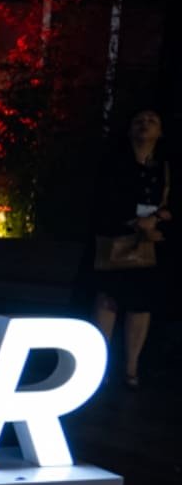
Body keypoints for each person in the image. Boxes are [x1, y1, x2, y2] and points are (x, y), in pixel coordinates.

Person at [91, 109, 170, 389]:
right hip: (117, 237)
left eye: (152, 121)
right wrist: (135, 221)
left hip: (150, 244)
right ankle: (100, 367)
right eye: (139, 121)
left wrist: (155, 220)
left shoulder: (163, 167)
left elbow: (169, 202)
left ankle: (131, 367)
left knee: (141, 304)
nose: (145, 125)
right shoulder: (115, 163)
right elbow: (104, 198)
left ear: (160, 132)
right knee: (109, 300)